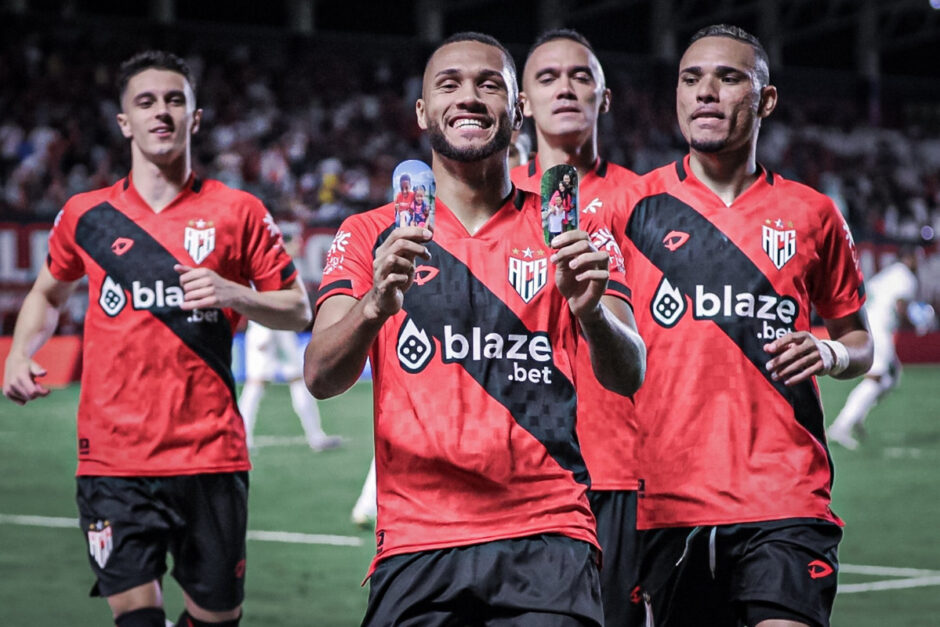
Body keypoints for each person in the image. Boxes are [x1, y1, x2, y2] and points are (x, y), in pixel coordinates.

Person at [305, 32, 646, 626]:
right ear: (422, 111)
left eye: (490, 85)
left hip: (549, 534)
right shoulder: (370, 235)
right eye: (450, 84)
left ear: (517, 112)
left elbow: (629, 373)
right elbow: (320, 377)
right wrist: (373, 308)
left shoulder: (571, 231)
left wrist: (590, 310)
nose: (469, 98)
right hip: (418, 540)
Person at [2, 51, 311, 627]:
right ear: (125, 121)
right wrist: (21, 350)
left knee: (217, 619)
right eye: (145, 102)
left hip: (210, 454)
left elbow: (298, 310)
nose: (161, 112)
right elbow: (47, 294)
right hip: (114, 460)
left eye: (175, 100)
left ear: (195, 117)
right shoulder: (86, 215)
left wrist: (232, 293)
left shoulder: (237, 211)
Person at [609, 25, 873, 627]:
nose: (706, 91)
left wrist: (830, 354)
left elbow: (861, 342)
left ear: (766, 100)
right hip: (668, 502)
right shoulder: (634, 208)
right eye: (691, 78)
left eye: (728, 78)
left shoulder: (813, 212)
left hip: (786, 494)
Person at [510, 28, 644, 627]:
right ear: (522, 104)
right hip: (518, 476)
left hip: (623, 467)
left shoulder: (648, 201)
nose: (565, 87)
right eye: (547, 77)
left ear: (605, 98)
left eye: (580, 75)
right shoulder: (492, 203)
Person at [238, 227, 342, 453]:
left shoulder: (282, 265)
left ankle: (316, 436)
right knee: (256, 384)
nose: (297, 246)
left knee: (294, 381)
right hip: (266, 330)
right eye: (293, 242)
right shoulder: (272, 265)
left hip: (281, 331)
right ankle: (242, 440)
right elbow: (265, 299)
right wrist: (264, 334)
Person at [827, 246, 920, 449]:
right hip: (878, 327)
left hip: (871, 321)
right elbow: (900, 307)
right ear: (910, 258)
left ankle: (858, 414)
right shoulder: (905, 277)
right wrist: (917, 325)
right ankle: (841, 426)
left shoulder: (891, 272)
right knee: (877, 377)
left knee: (892, 377)